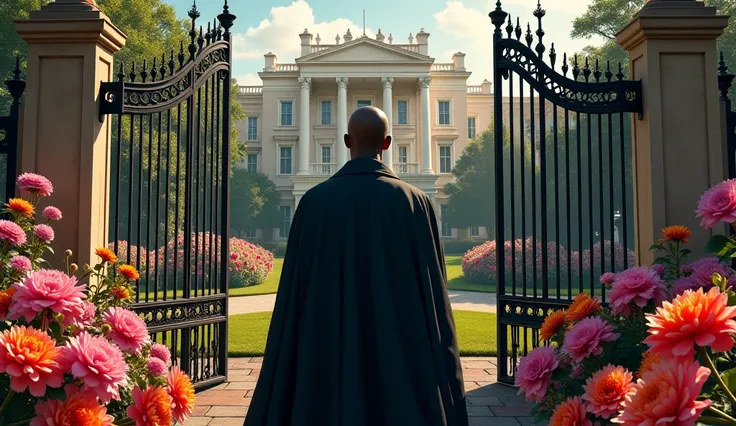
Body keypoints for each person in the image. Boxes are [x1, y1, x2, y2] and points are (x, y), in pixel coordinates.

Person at [243, 106, 468, 426]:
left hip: (327, 350)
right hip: (400, 354)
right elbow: (434, 298)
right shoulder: (416, 202)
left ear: (347, 141)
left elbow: (294, 296)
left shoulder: (313, 203)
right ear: (387, 143)